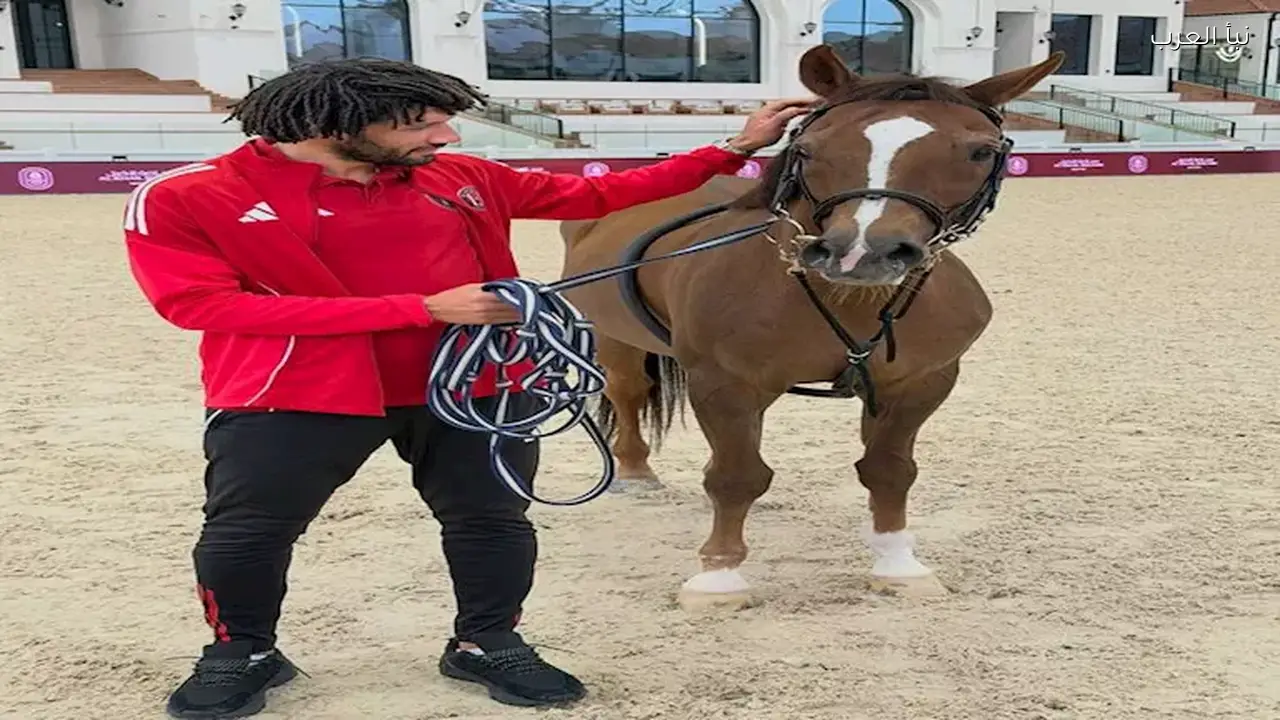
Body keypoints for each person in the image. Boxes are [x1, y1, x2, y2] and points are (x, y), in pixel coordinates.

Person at [122, 57, 811, 719]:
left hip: (477, 382)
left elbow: (600, 195)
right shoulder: (187, 195)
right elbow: (201, 306)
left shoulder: (461, 177)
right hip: (294, 393)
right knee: (249, 531)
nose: (445, 136)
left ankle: (486, 641)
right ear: (337, 126)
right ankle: (240, 652)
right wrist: (421, 309)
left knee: (492, 521)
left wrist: (734, 148)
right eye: (421, 124)